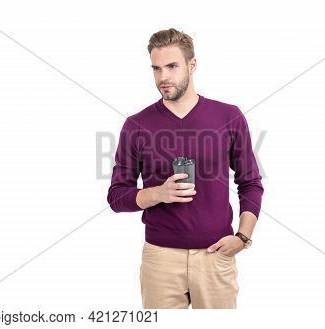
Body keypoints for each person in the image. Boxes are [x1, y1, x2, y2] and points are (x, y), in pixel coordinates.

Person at [107, 28, 264, 309]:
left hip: (216, 255)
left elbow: (250, 182)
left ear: (192, 65)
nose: (163, 77)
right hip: (160, 260)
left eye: (171, 66)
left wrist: (243, 237)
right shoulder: (136, 125)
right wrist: (158, 193)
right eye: (156, 68)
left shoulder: (228, 116)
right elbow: (117, 197)